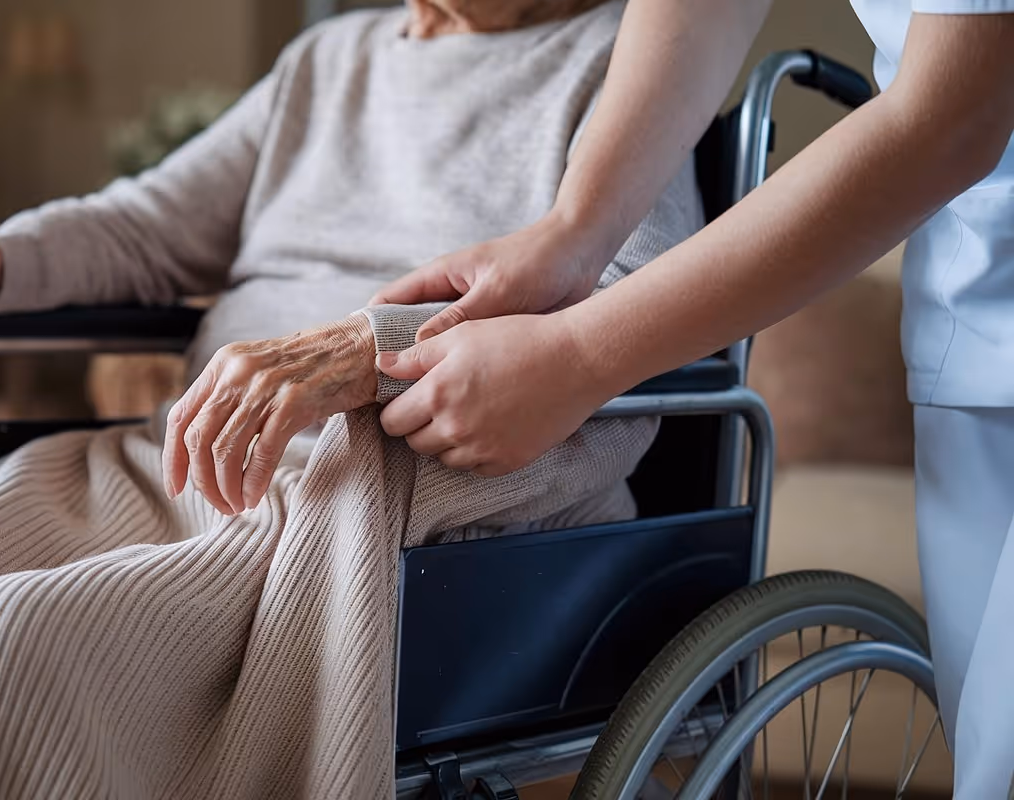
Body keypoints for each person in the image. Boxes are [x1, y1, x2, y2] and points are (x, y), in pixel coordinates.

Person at [0, 1, 703, 797]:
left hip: (377, 497)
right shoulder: (330, 59)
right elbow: (147, 224)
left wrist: (365, 356)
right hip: (193, 455)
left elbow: (630, 313)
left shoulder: (634, 61)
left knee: (1, 655)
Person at [372, 0, 1014, 794]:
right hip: (977, 300)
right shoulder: (336, 60)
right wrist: (569, 233)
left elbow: (956, 111)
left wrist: (577, 355)